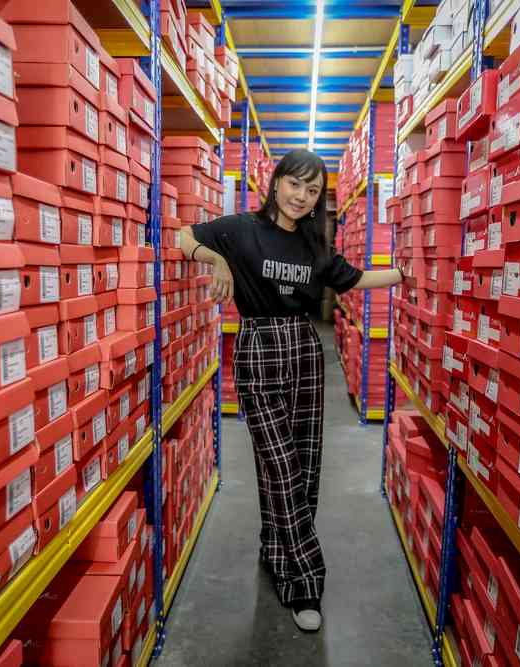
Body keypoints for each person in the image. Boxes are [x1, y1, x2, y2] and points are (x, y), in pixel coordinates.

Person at [178, 149, 405, 632]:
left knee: (302, 463)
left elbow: (356, 279)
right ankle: (306, 580)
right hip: (258, 348)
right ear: (277, 181)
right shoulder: (241, 229)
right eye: (295, 184)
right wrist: (216, 259)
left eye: (312, 190)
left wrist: (406, 273)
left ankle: (276, 549)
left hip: (303, 349)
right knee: (280, 465)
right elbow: (183, 235)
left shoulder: (314, 245)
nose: (301, 196)